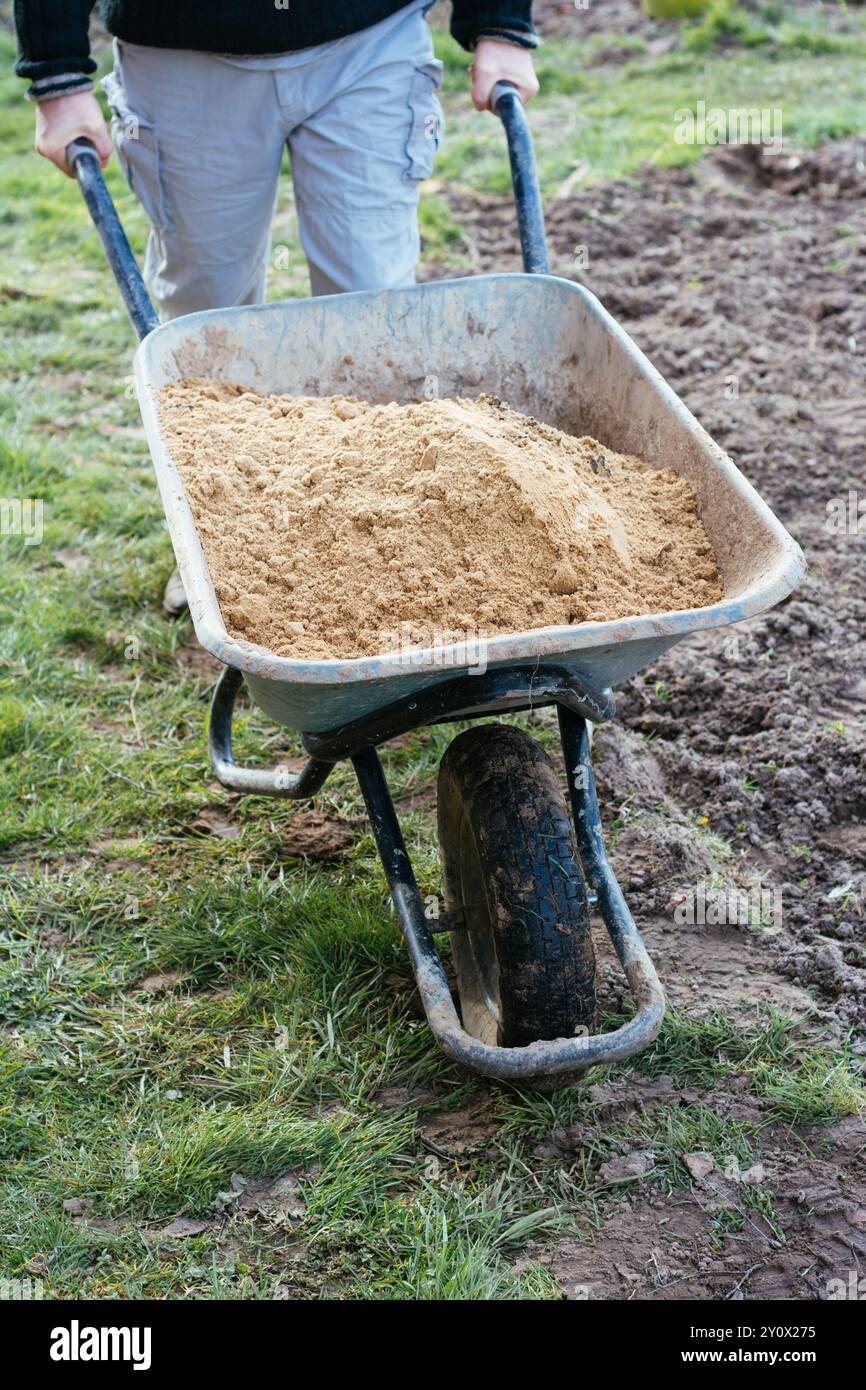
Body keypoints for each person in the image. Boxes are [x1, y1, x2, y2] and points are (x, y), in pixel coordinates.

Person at [14, 2, 539, 614]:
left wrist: (501, 22)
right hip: (183, 52)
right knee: (206, 311)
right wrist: (57, 72)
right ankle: (219, 537)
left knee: (375, 311)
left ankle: (378, 534)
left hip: (367, 39)